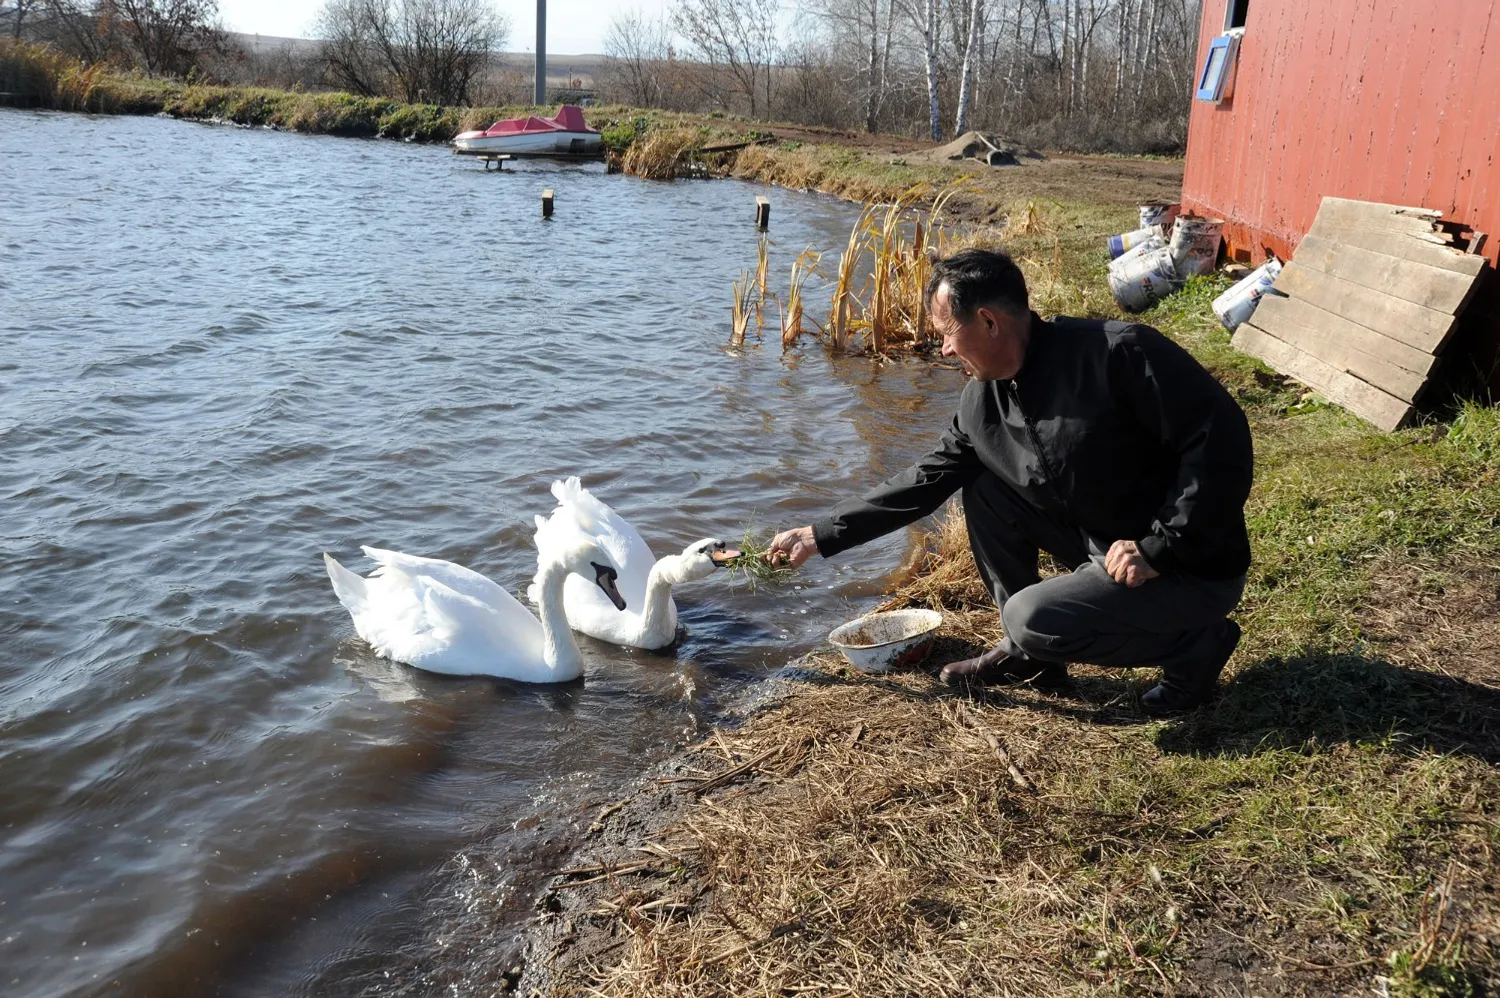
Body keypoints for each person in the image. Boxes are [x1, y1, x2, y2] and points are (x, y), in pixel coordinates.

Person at [765, 248, 1254, 714]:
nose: (944, 348)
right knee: (984, 487)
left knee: (1030, 617)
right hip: (1099, 545)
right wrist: (820, 535)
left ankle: (1195, 645)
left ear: (989, 321)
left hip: (1184, 565)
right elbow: (925, 480)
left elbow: (1219, 443)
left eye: (947, 332)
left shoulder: (1119, 353)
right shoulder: (982, 400)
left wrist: (1159, 547)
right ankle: (1032, 658)